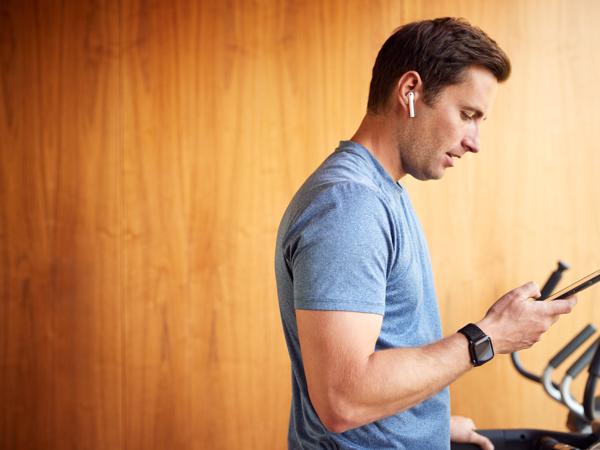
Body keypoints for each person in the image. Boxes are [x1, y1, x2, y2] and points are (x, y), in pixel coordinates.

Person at [274, 17, 577, 450]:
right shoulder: (350, 205)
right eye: (467, 115)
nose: (475, 141)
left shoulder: (382, 193)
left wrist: (425, 423)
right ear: (410, 91)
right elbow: (343, 399)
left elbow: (378, 357)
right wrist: (487, 337)